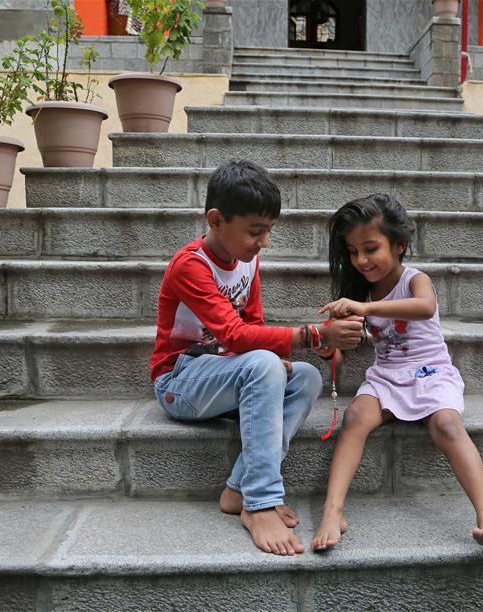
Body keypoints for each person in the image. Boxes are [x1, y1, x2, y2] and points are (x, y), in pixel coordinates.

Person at [150, 160, 365, 556]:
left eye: (268, 230)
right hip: (179, 382)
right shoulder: (190, 266)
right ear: (216, 220)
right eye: (255, 231)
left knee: (306, 377)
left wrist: (300, 350)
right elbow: (232, 334)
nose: (263, 241)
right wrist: (313, 333)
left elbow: (253, 322)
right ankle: (261, 501)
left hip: (228, 374)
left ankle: (237, 489)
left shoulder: (248, 259)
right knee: (265, 365)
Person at [310, 193, 483, 552]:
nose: (361, 260)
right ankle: (333, 509)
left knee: (446, 425)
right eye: (353, 252)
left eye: (371, 248)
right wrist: (329, 350)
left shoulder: (416, 280)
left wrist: (366, 305)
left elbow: (425, 306)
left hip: (430, 373)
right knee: (355, 417)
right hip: (386, 375)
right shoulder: (358, 292)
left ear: (399, 245)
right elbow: (339, 356)